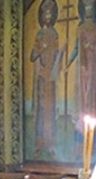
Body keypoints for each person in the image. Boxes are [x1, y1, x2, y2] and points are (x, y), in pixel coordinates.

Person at [30, 0, 62, 157]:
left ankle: (50, 144)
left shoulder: (54, 34)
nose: (47, 17)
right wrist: (40, 50)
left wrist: (56, 64)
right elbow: (32, 56)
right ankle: (39, 143)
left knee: (50, 110)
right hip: (41, 78)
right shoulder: (39, 35)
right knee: (41, 110)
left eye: (50, 14)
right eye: (45, 14)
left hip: (50, 79)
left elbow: (56, 56)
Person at [67, 0, 96, 119]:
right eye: (86, 8)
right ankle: (82, 119)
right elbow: (77, 48)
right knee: (82, 91)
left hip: (93, 64)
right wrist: (68, 62)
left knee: (91, 90)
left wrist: (92, 47)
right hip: (83, 65)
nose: (88, 10)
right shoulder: (80, 28)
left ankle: (93, 116)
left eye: (91, 7)